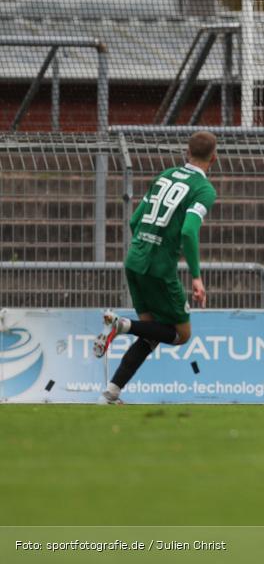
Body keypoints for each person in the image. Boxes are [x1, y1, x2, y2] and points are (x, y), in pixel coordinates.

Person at [93, 131, 218, 404]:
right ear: (214, 157)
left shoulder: (165, 175)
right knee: (181, 334)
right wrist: (196, 277)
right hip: (159, 270)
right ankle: (121, 325)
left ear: (187, 152)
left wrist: (144, 247)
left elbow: (135, 220)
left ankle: (111, 392)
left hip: (135, 261)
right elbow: (188, 231)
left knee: (150, 334)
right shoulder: (204, 189)